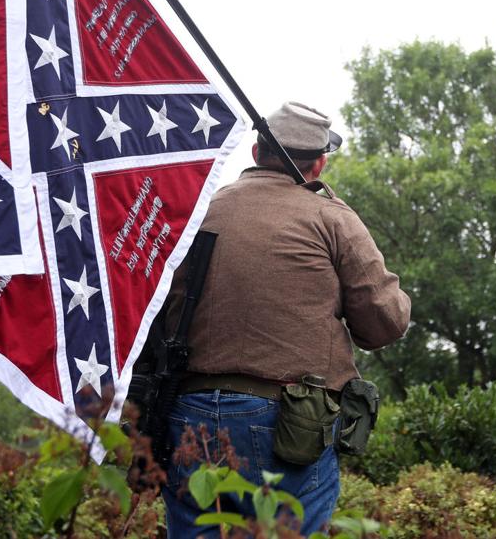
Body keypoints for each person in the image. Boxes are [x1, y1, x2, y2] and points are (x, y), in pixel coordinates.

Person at [161, 101, 411, 537]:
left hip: (188, 413)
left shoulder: (199, 212)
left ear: (256, 154)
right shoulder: (331, 217)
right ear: (319, 164)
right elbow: (384, 324)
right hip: (285, 425)